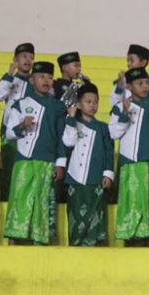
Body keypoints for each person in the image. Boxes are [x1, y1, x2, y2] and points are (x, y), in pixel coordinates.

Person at [3, 61, 67, 245]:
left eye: (49, 77)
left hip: (47, 162)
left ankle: (39, 239)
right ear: (32, 80)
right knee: (21, 198)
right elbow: (9, 133)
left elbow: (61, 136)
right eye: (41, 76)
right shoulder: (20, 104)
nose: (45, 80)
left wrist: (60, 163)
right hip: (24, 160)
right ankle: (18, 238)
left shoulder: (57, 107)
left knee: (42, 201)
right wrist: (22, 126)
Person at [109, 68, 149, 245]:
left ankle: (145, 235)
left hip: (148, 161)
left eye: (147, 83)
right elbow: (113, 133)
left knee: (145, 199)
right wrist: (125, 114)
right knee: (131, 198)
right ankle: (131, 235)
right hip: (129, 161)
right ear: (129, 86)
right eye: (140, 83)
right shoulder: (120, 107)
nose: (145, 87)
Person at [63, 83, 114, 246]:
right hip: (75, 178)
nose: (92, 105)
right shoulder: (72, 123)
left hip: (95, 178)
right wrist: (71, 118)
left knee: (95, 213)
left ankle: (93, 244)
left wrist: (108, 173)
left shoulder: (102, 127)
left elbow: (108, 151)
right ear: (78, 104)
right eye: (88, 101)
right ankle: (76, 244)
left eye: (95, 102)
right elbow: (68, 142)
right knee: (76, 213)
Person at [0, 43, 35, 201]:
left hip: (30, 133)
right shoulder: (10, 79)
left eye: (31, 57)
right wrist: (10, 73)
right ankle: (5, 201)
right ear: (15, 59)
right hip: (10, 133)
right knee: (9, 170)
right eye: (24, 56)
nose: (28, 60)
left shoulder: (35, 81)